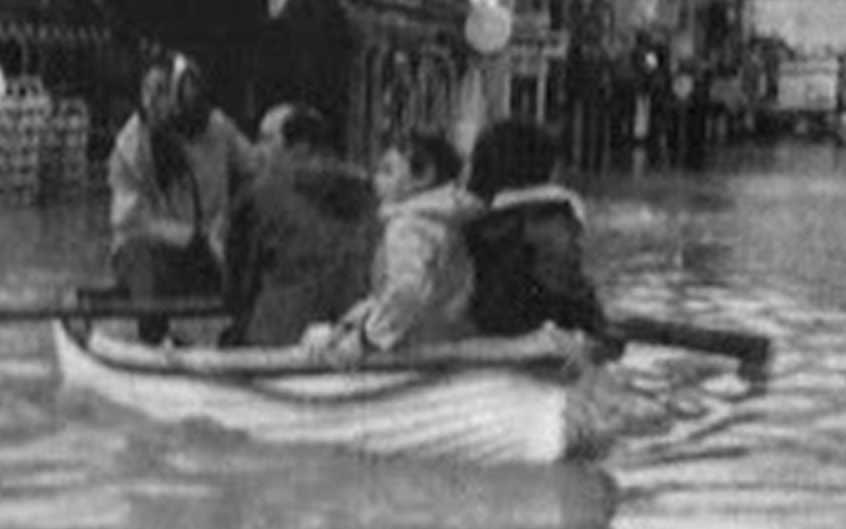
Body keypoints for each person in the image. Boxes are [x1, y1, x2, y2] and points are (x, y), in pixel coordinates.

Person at [108, 54, 255, 344]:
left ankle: (243, 338)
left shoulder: (217, 128)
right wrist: (193, 237)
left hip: (211, 249)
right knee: (144, 262)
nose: (157, 104)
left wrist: (231, 219)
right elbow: (132, 220)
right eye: (152, 95)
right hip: (149, 249)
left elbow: (254, 171)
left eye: (165, 93)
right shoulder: (134, 140)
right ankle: (153, 345)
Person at [302, 132, 477, 358]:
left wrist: (366, 338)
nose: (376, 179)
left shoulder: (409, 226)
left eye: (387, 171)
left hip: (415, 351)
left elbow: (406, 291)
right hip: (445, 341)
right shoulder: (439, 221)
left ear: (423, 176)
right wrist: (346, 326)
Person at [222, 104, 375, 348]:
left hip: (277, 333)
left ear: (296, 148)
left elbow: (239, 279)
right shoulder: (366, 191)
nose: (260, 151)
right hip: (347, 335)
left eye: (268, 141)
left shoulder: (264, 193)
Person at [463, 119, 606, 338]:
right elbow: (571, 289)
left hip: (498, 327)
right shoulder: (557, 214)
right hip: (562, 324)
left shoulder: (477, 222)